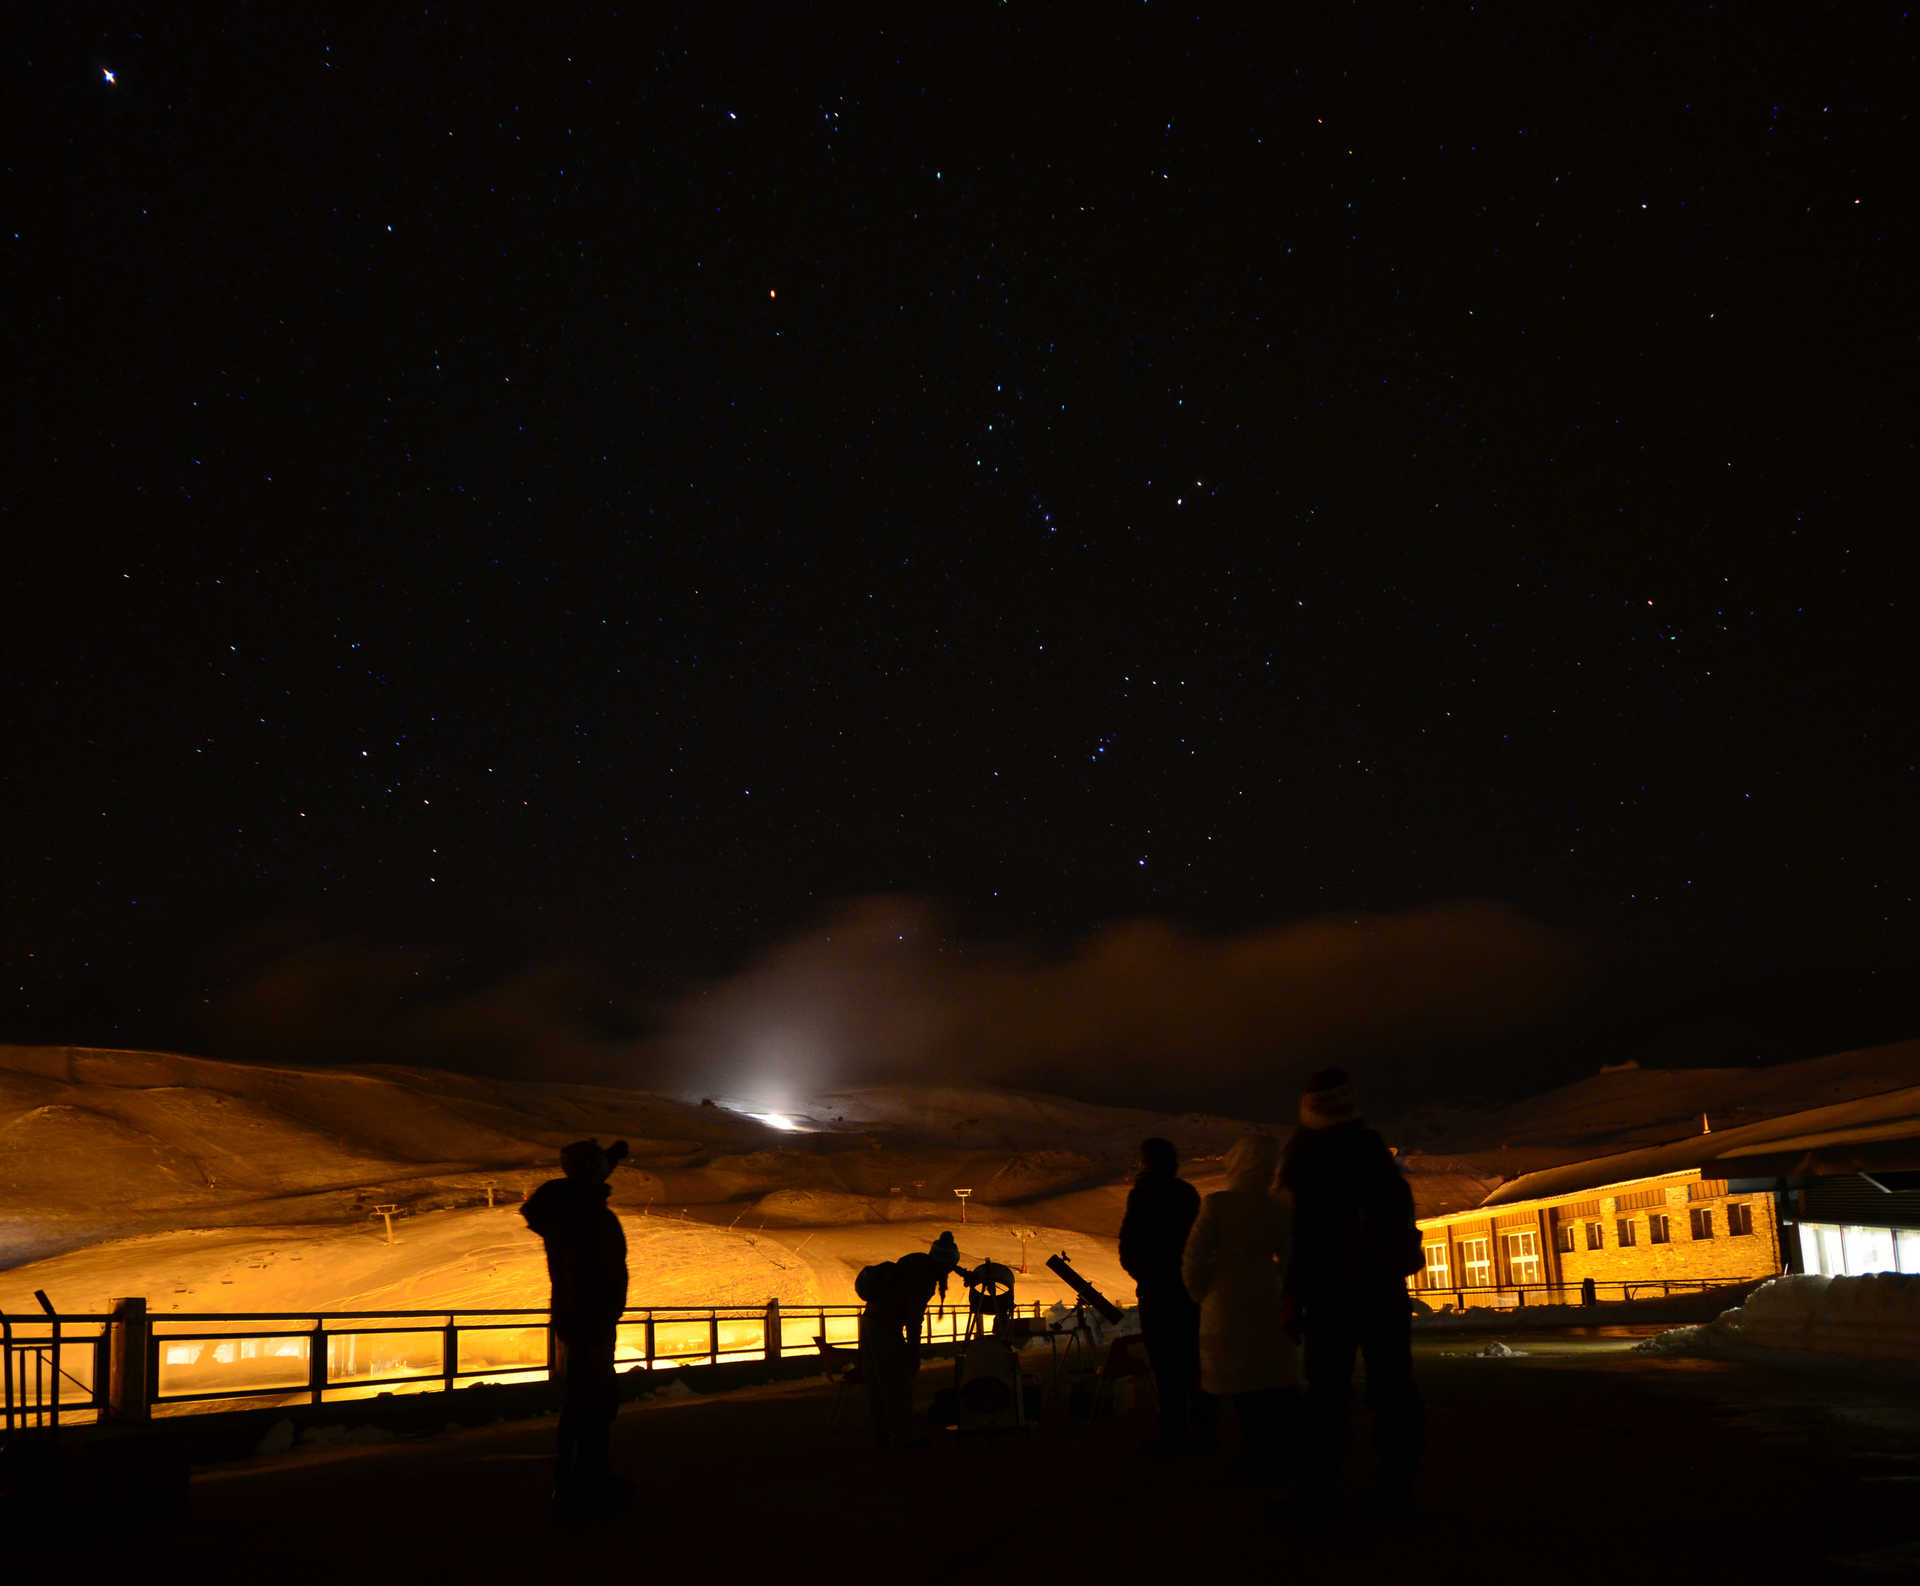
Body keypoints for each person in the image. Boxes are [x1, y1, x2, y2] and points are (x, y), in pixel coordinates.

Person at [1281, 1067, 1424, 1516]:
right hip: (1381, 1288)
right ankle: (1397, 1486)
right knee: (1392, 1387)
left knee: (1326, 1392)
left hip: (1329, 1292)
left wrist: (1292, 1295)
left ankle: (1319, 1491)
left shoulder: (1304, 1155)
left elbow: (1300, 1235)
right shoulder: (1372, 1150)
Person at [522, 1137, 631, 1516]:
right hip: (590, 1318)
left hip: (583, 1317)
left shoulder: (572, 1207)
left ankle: (578, 1481)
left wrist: (609, 1160)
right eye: (598, 1165)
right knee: (591, 1402)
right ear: (589, 1171)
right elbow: (596, 1261)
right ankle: (580, 1485)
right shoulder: (584, 1215)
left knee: (587, 1401)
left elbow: (581, 1189)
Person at [1180, 1134, 1299, 1481]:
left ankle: (1243, 1451)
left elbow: (1193, 1257)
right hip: (1266, 1298)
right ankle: (1272, 1451)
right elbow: (1291, 1259)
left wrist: (1201, 1292)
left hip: (1225, 1302)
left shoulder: (1217, 1204)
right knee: (1265, 1375)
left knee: (1235, 1379)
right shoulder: (1277, 1207)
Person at [1118, 1136, 1215, 1456]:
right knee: (1192, 1360)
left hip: (1157, 1293)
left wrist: (1146, 1275)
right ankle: (1205, 1429)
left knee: (1164, 1363)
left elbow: (1129, 1248)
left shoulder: (1142, 1195)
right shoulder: (1186, 1195)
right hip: (1187, 1291)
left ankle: (1173, 1432)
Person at [853, 1230, 965, 1447]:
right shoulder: (924, 1279)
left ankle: (883, 1436)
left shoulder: (916, 1263)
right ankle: (901, 1436)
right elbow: (914, 1318)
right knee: (896, 1383)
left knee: (878, 1383)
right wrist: (913, 1351)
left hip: (870, 1323)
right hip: (885, 1329)